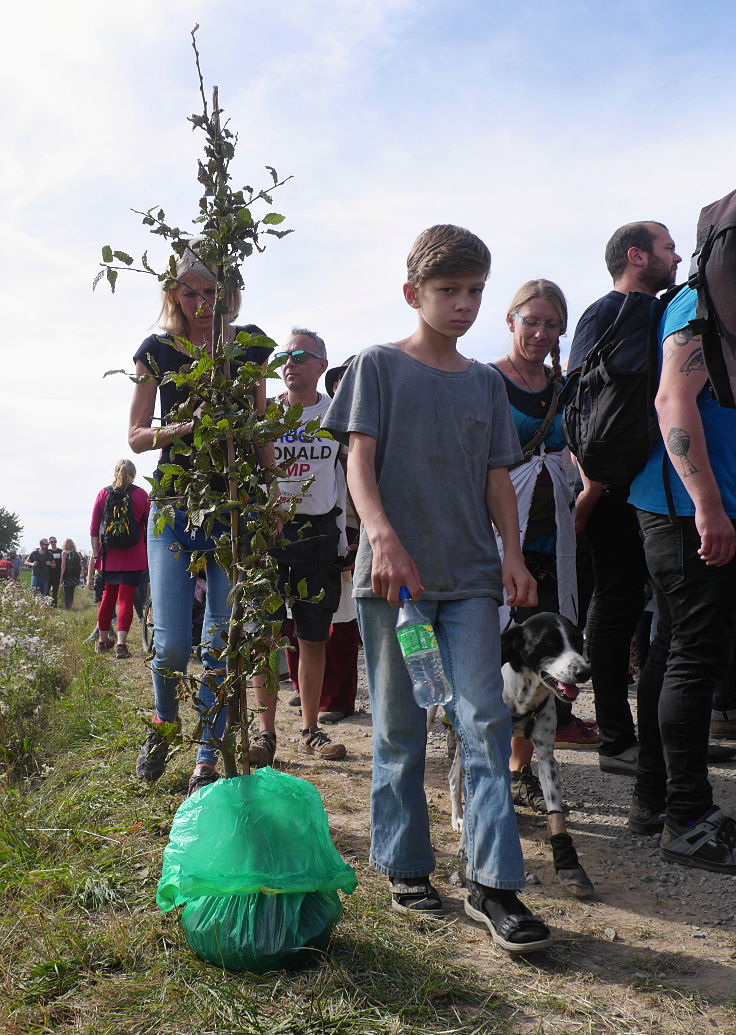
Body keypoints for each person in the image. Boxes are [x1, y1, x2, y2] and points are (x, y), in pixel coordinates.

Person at [323, 224, 553, 952]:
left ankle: (494, 884)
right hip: (395, 585)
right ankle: (405, 863)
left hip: (472, 582)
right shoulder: (376, 368)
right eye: (447, 290)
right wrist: (381, 536)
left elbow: (497, 478)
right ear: (412, 293)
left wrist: (512, 554)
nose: (462, 304)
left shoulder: (486, 381)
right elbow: (360, 463)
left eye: (475, 291)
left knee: (484, 719)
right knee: (399, 727)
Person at [128, 239, 272, 796]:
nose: (201, 301)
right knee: (170, 644)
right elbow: (136, 437)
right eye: (189, 291)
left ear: (228, 292)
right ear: (174, 293)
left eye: (211, 291)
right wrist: (183, 426)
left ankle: (206, 759)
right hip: (173, 502)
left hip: (234, 508)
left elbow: (261, 427)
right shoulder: (156, 351)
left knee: (218, 641)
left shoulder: (251, 346)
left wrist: (275, 496)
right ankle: (164, 724)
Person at [627, 273, 736, 871]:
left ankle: (655, 801)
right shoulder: (706, 299)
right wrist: (710, 508)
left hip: (692, 506)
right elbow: (672, 400)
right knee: (694, 654)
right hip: (689, 510)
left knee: (672, 652)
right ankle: (687, 820)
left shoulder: (718, 298)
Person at [568, 221, 681, 775]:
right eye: (667, 247)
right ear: (637, 256)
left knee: (663, 609)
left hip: (659, 481)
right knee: (616, 606)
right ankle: (617, 738)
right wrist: (591, 482)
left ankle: (664, 739)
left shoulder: (665, 310)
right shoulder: (605, 312)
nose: (677, 255)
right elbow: (579, 403)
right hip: (615, 485)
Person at [490, 280, 600, 809]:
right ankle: (482, 760)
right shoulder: (484, 381)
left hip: (551, 537)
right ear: (510, 320)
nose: (539, 332)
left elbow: (576, 449)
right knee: (494, 652)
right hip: (493, 538)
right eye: (530, 321)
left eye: (551, 324)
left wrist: (585, 496)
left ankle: (519, 767)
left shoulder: (563, 386)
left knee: (541, 658)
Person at [250, 329, 347, 764]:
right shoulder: (265, 415)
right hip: (269, 535)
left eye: (302, 355)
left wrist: (356, 538)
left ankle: (310, 729)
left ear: (322, 366)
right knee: (264, 636)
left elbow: (357, 473)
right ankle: (264, 733)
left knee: (312, 636)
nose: (290, 362)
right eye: (285, 356)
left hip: (319, 534)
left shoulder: (337, 415)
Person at [90, 460, 150, 658]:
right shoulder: (141, 495)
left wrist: (96, 553)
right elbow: (149, 528)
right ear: (134, 473)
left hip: (109, 554)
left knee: (108, 597)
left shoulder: (103, 493)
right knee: (126, 598)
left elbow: (94, 528)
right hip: (134, 555)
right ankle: (121, 645)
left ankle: (102, 641)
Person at [59, 538, 82, 610]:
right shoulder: (76, 553)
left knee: (67, 591)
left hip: (67, 575)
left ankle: (67, 607)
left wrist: (61, 576)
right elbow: (80, 565)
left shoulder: (64, 553)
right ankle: (70, 605)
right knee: (71, 591)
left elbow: (63, 565)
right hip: (75, 575)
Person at [47, 537, 63, 606]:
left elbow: (63, 563)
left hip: (57, 574)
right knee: (47, 590)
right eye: (51, 542)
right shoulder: (47, 552)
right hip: (48, 574)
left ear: (56, 542)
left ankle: (54, 605)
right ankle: (47, 604)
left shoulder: (60, 551)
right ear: (49, 543)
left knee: (55, 591)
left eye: (54, 541)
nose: (53, 543)